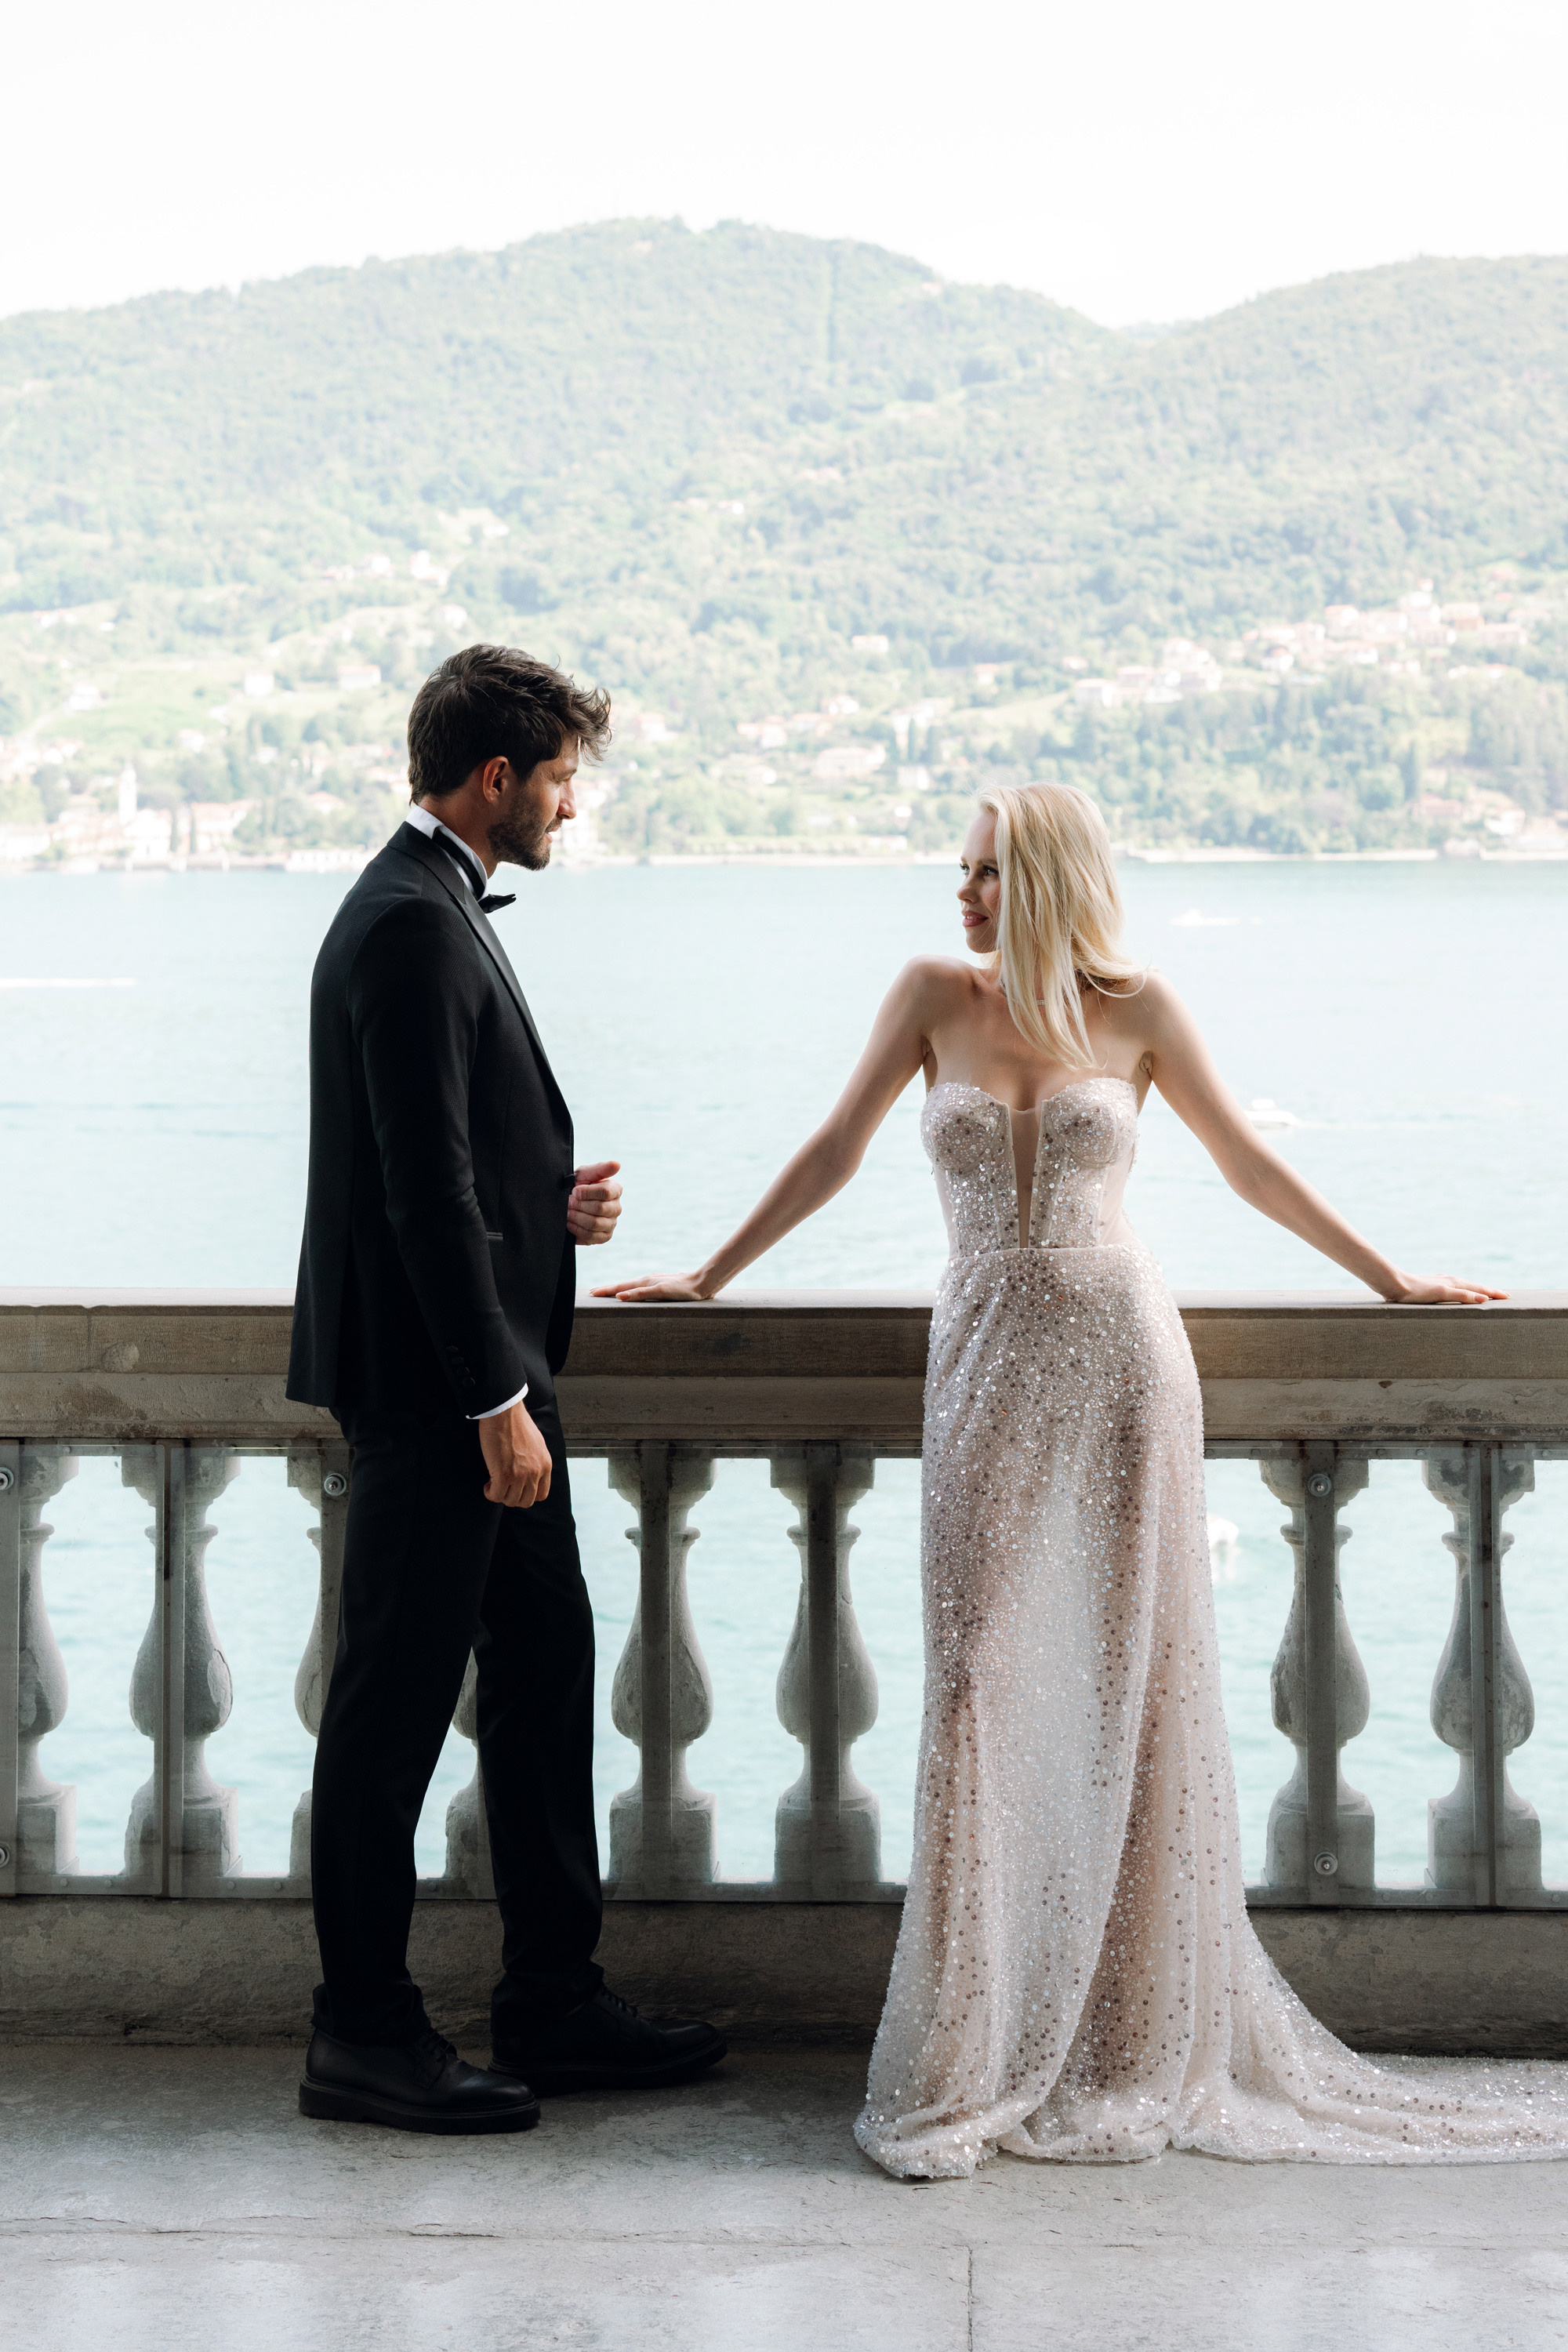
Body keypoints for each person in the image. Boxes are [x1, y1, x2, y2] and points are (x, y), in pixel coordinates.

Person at [597, 778, 1568, 2176]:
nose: (964, 893)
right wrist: (708, 1271)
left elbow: (1248, 1166)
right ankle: (969, 2048)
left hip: (1122, 1362)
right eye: (962, 870)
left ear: (1047, 874)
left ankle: (1118, 2038)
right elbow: (832, 1149)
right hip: (988, 1359)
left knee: (1134, 1685)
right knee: (982, 1678)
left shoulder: (1144, 1007)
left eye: (986, 870)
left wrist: (1392, 1277)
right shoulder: (933, 991)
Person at [287, 644, 725, 2135]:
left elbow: (466, 1164)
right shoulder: (410, 925)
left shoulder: (428, 908)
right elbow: (413, 1194)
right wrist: (492, 1406)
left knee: (545, 1676)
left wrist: (552, 1199)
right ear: (498, 780)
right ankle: (360, 2031)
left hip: (493, 1391)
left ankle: (554, 1999)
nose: (568, 811)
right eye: (558, 781)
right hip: (445, 1404)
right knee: (391, 1711)